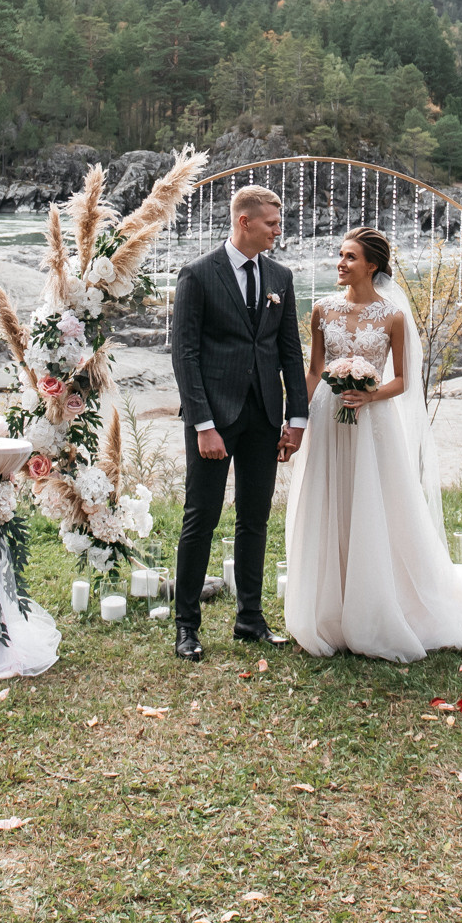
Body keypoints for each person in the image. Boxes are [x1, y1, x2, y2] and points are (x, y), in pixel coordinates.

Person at [281, 228, 462, 660]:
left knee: (372, 503)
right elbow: (314, 370)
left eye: (350, 257)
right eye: (340, 255)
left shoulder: (392, 317)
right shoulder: (323, 310)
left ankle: (375, 607)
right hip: (329, 416)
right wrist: (296, 420)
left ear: (372, 265)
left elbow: (403, 380)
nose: (340, 263)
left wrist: (369, 395)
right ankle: (326, 612)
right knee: (327, 502)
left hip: (371, 420)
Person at [168, 183, 311, 660]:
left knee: (255, 518)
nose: (278, 230)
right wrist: (203, 424)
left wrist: (296, 418)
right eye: (272, 223)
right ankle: (187, 626)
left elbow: (289, 352)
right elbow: (185, 355)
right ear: (244, 222)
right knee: (201, 518)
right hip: (215, 418)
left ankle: (250, 618)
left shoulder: (280, 277)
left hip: (265, 416)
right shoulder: (197, 274)